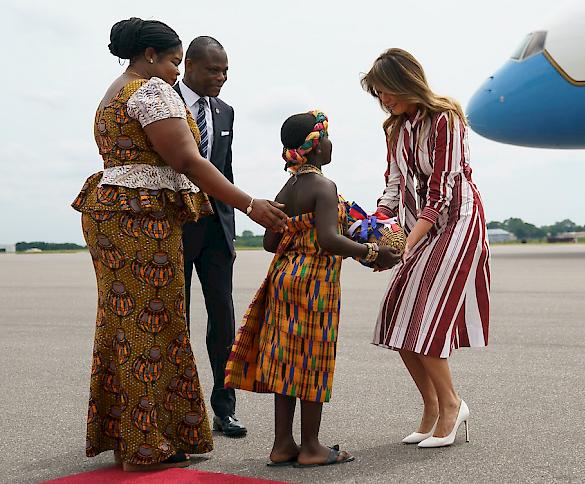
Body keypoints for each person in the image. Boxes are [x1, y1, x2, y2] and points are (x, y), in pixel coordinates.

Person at [72, 18, 286, 471]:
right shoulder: (150, 90)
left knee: (127, 326)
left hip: (116, 214)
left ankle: (134, 434)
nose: (174, 71)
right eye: (173, 61)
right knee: (151, 327)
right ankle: (148, 442)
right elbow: (188, 160)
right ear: (151, 56)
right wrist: (250, 204)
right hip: (140, 221)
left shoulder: (116, 90)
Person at [225, 111, 401, 467]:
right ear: (317, 145)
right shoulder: (324, 187)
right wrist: (372, 251)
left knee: (286, 362)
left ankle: (282, 444)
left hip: (283, 278)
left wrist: (298, 238)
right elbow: (328, 238)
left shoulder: (286, 189)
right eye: (329, 137)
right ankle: (312, 447)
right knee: (312, 363)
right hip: (315, 283)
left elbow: (270, 243)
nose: (332, 143)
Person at [361, 48, 491, 448]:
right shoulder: (394, 129)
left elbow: (440, 193)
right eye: (378, 94)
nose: (384, 100)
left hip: (456, 222)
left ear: (406, 81)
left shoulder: (445, 120)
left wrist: (405, 245)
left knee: (423, 319)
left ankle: (452, 404)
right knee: (395, 319)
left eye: (386, 90)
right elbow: (394, 186)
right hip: (420, 226)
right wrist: (373, 228)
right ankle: (432, 407)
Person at [173, 36, 245, 438]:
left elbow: (225, 173)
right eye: (213, 70)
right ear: (188, 67)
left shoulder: (225, 111)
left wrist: (230, 232)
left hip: (215, 229)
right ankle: (183, 410)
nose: (221, 77)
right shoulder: (161, 98)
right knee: (176, 319)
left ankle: (225, 409)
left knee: (223, 319)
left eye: (225, 70)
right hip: (175, 226)